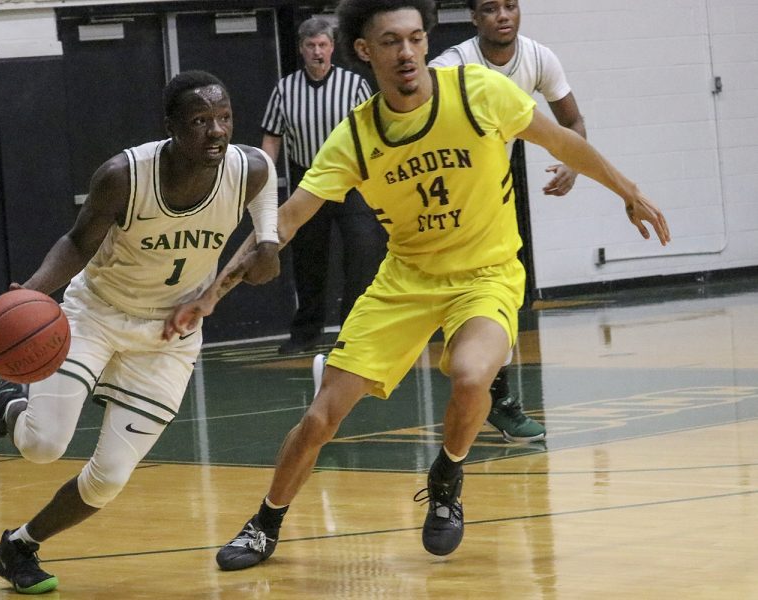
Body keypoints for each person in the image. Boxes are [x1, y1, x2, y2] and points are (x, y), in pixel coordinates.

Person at [164, 0, 669, 571]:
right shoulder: (356, 136)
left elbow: (562, 141)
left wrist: (628, 190)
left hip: (486, 274)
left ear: (426, 41)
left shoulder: (478, 93)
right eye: (389, 42)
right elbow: (285, 218)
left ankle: (448, 472)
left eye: (413, 39)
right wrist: (212, 292)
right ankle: (265, 524)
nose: (405, 52)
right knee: (321, 416)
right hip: (406, 279)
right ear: (363, 52)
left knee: (473, 373)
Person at [0, 70, 280, 594]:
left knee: (107, 480)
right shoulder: (124, 176)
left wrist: (255, 263)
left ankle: (19, 546)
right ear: (170, 126)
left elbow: (266, 255)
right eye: (200, 121)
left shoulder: (253, 170)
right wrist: (34, 290)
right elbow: (78, 244)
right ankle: (5, 409)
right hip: (96, 315)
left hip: (168, 337)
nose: (216, 130)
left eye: (224, 118)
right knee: (42, 445)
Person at [428, 0, 587, 443]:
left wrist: (573, 163)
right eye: (491, 8)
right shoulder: (452, 66)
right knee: (443, 292)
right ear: (474, 18)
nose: (503, 15)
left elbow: (572, 120)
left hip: (495, 190)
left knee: (498, 289)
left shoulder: (538, 57)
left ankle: (494, 395)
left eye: (511, 5)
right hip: (446, 189)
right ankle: (357, 368)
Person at [263, 17, 388, 355]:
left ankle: (354, 332)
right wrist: (262, 179)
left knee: (363, 255)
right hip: (309, 182)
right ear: (301, 49)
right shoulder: (284, 89)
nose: (317, 51)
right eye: (310, 45)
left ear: (333, 47)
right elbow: (272, 139)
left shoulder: (355, 85)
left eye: (322, 44)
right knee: (308, 262)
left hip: (352, 182)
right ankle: (305, 334)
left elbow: (374, 132)